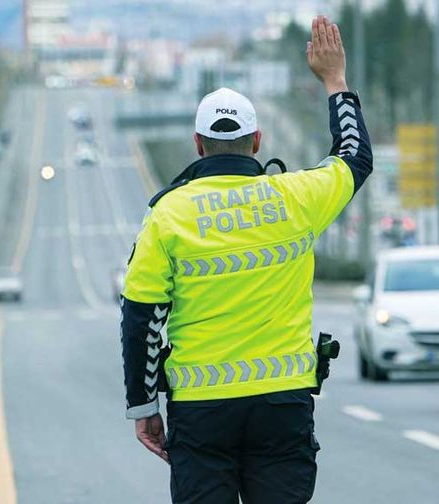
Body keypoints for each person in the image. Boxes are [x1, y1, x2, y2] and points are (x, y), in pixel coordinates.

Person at [120, 15, 371, 504]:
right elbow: (354, 155)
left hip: (202, 410)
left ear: (198, 144)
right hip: (283, 405)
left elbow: (141, 318)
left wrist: (143, 405)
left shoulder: (168, 214)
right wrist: (335, 81)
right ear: (257, 141)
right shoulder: (297, 197)